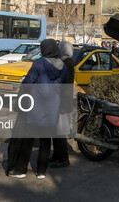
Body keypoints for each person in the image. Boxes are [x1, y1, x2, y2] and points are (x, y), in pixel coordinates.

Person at [7, 39, 69, 179]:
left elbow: (27, 83)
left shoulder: (38, 64)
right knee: (46, 141)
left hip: (36, 109)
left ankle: (20, 169)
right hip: (53, 109)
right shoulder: (63, 67)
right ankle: (41, 171)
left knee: (27, 140)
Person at [49, 40, 76, 168]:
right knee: (56, 131)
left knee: (59, 133)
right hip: (63, 101)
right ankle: (56, 156)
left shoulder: (66, 63)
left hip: (62, 102)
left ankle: (63, 159)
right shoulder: (68, 61)